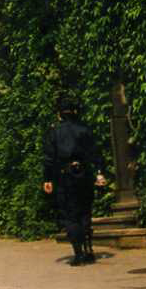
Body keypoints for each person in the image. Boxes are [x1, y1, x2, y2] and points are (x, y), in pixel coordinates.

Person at [43, 94, 108, 265]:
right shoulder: (84, 129)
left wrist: (48, 179)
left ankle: (78, 252)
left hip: (64, 176)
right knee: (85, 211)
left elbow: (49, 157)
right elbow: (95, 153)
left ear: (60, 113)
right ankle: (88, 248)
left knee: (70, 215)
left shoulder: (54, 132)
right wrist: (100, 173)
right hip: (84, 174)